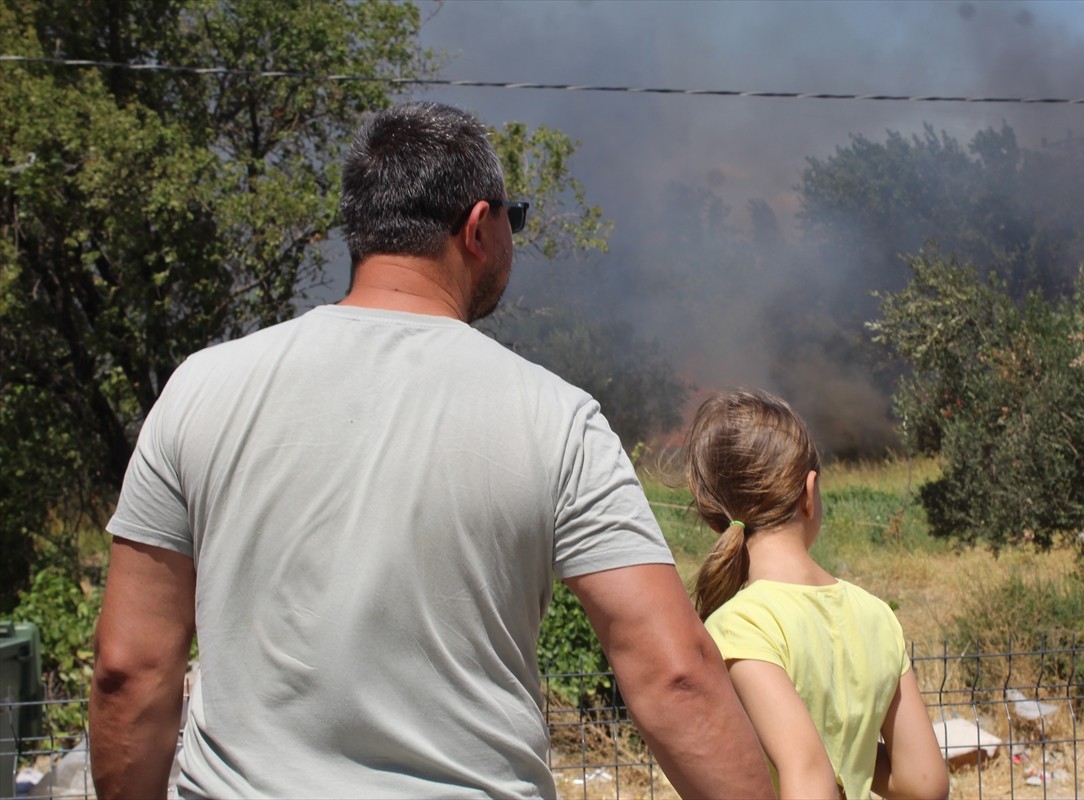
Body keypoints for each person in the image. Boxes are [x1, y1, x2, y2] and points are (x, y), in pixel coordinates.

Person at [89, 101, 775, 799]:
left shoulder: (200, 389)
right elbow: (675, 677)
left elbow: (129, 670)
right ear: (479, 226)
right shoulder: (555, 419)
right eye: (518, 217)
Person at [684, 389, 950, 800]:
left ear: (714, 517)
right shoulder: (876, 615)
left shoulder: (740, 627)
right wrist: (849, 759)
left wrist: (820, 764)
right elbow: (924, 782)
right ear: (809, 492)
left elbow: (808, 778)